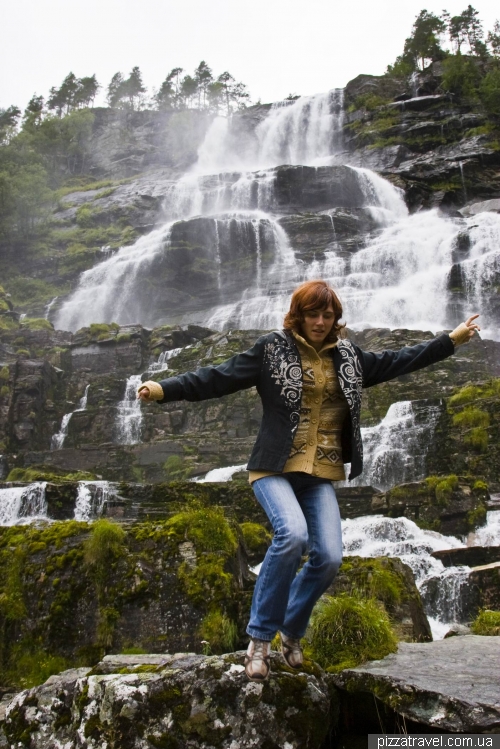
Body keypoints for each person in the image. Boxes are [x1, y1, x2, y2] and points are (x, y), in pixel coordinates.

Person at [137, 280, 480, 681]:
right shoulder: (271, 349)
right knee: (293, 536)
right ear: (298, 315)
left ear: (336, 318)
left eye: (327, 314)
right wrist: (164, 389)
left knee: (330, 557)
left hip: (320, 474)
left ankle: (292, 632)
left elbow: (399, 360)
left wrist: (451, 340)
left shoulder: (349, 357)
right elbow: (217, 377)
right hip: (273, 469)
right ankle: (259, 641)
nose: (320, 321)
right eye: (312, 314)